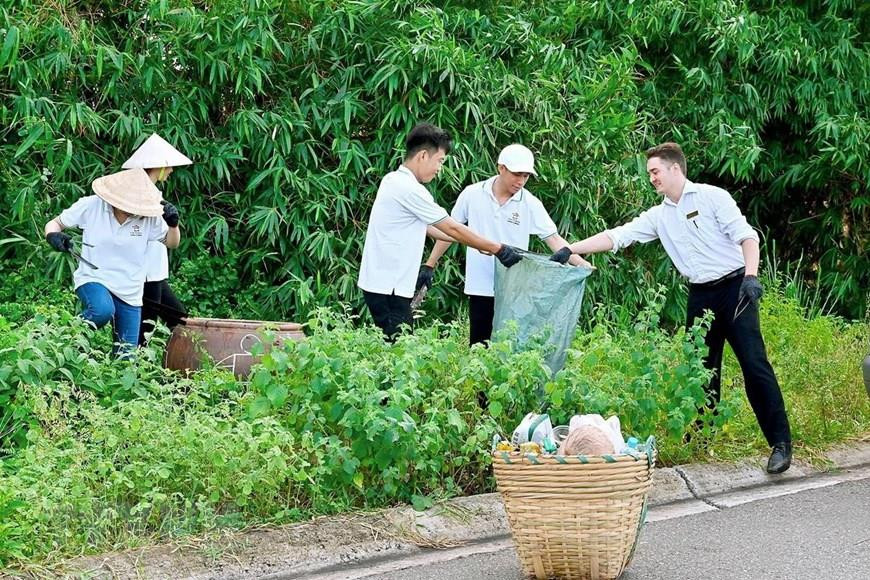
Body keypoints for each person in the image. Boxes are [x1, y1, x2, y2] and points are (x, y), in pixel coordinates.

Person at [551, 142, 793, 474]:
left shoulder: (712, 197)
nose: (651, 178)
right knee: (702, 371)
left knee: (754, 365)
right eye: (649, 173)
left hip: (736, 288)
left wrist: (751, 276)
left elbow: (747, 237)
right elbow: (617, 236)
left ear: (674, 169)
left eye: (655, 171)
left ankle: (780, 444)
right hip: (701, 294)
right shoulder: (659, 215)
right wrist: (569, 249)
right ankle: (701, 442)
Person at [357, 123, 523, 341]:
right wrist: (497, 248)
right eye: (440, 161)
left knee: (397, 350)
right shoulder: (410, 190)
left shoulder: (393, 180)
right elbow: (451, 226)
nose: (439, 168)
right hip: (389, 287)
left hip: (385, 284)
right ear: (423, 156)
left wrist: (480, 244)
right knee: (399, 355)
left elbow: (434, 230)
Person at [418, 144, 593, 345]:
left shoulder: (530, 203)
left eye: (526, 176)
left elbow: (554, 239)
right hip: (480, 284)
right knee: (479, 346)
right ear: (501, 168)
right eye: (517, 174)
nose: (521, 181)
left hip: (514, 287)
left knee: (509, 345)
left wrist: (581, 264)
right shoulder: (473, 194)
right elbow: (451, 231)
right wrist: (430, 264)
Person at [44, 168, 181, 355]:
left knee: (126, 357)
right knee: (102, 310)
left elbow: (172, 243)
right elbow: (55, 222)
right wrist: (53, 235)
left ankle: (97, 370)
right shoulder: (92, 206)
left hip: (130, 290)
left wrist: (173, 225)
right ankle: (63, 342)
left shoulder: (149, 216)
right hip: (94, 276)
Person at [121, 133, 193, 345]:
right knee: (145, 331)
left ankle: (179, 369)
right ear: (158, 166)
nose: (171, 170)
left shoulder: (154, 193)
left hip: (155, 273)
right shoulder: (138, 194)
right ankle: (133, 373)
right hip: (144, 274)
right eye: (168, 166)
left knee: (180, 323)